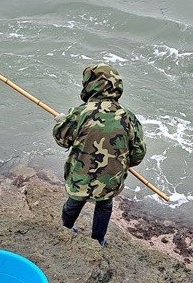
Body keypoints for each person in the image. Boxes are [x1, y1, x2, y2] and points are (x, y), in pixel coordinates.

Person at [53, 64, 146, 246]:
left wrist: (61, 122)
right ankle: (98, 239)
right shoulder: (128, 117)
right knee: (104, 205)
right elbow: (138, 154)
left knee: (75, 200)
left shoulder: (81, 112)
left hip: (81, 174)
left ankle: (65, 229)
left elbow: (62, 139)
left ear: (89, 84)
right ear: (116, 86)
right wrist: (123, 162)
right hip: (111, 177)